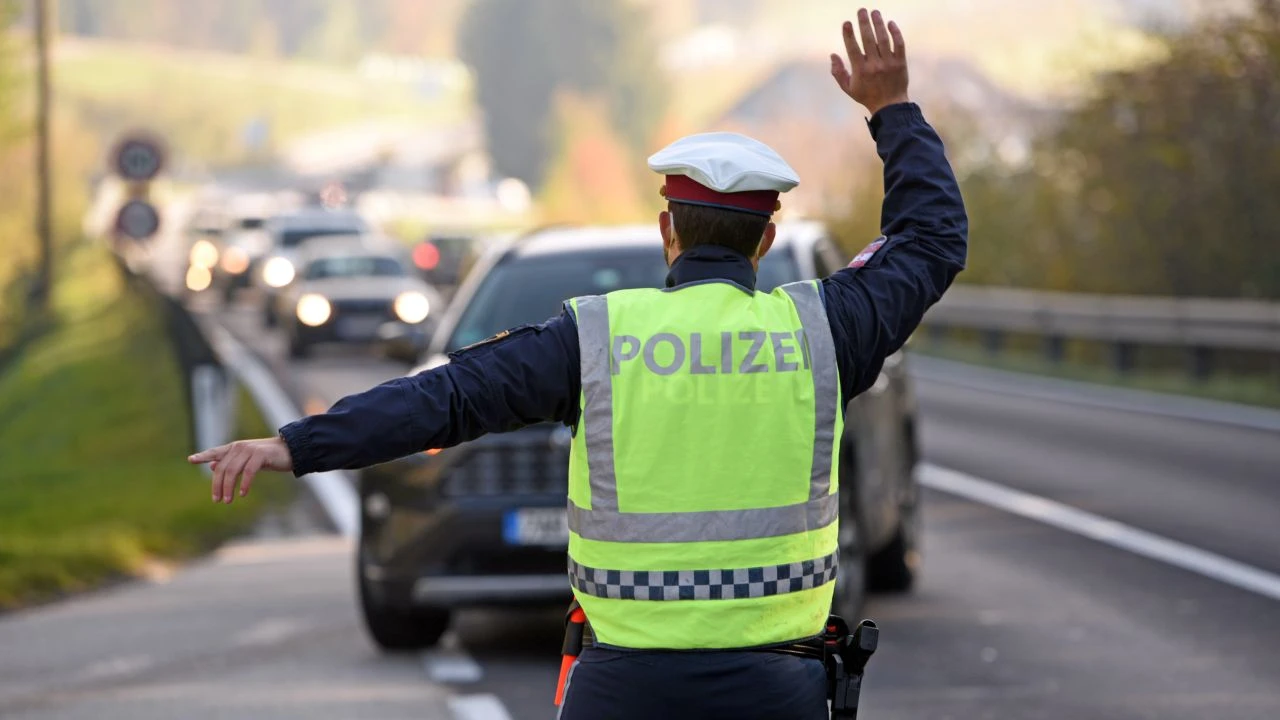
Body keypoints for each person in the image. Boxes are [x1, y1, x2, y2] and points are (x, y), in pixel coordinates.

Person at [190, 8, 966, 719]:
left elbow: (447, 397)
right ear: (764, 243)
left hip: (620, 691)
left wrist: (295, 445)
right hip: (775, 692)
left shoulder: (596, 339)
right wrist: (889, 108)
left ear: (668, 230)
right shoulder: (820, 332)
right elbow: (931, 238)